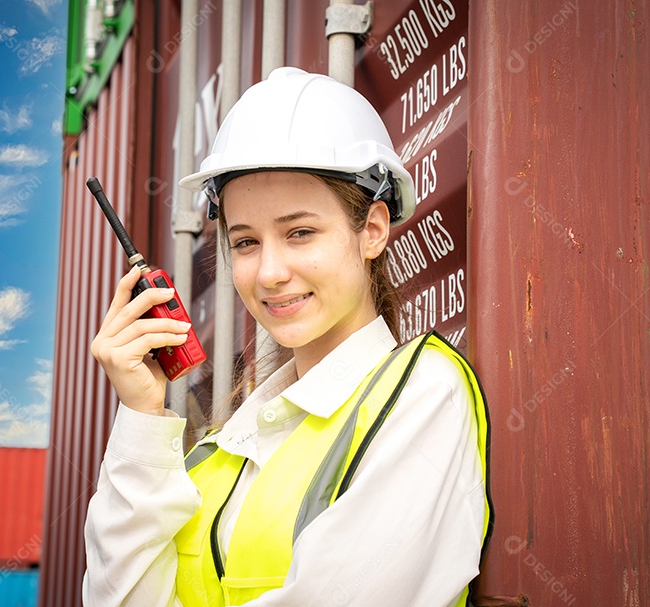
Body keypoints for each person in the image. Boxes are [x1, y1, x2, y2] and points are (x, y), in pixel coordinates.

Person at [83, 67, 492, 607]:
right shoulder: (219, 453)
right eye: (246, 242)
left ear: (371, 230)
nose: (270, 272)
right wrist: (140, 415)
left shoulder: (423, 399)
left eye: (299, 232)